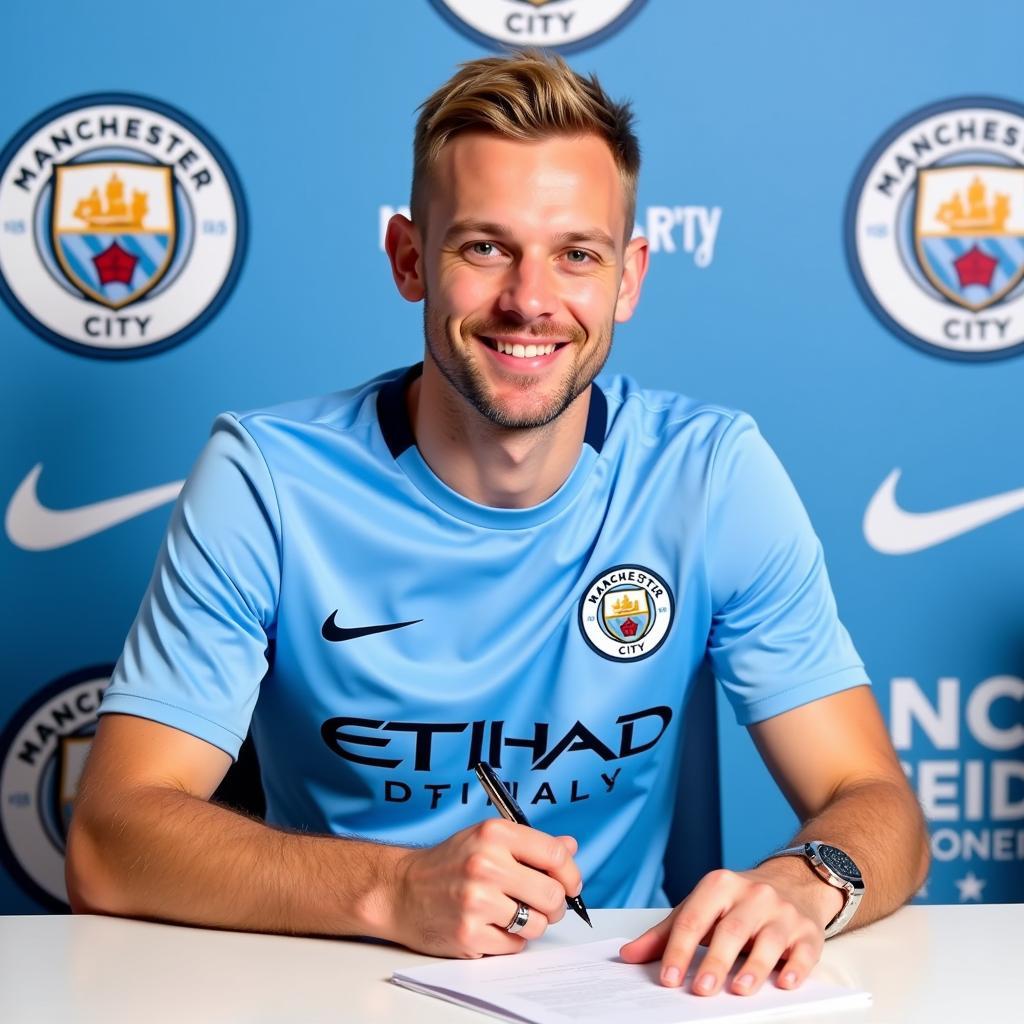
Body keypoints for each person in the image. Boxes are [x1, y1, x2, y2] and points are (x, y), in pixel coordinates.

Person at [66, 50, 929, 998]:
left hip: (613, 991)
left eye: (577, 254)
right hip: (326, 986)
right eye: (484, 247)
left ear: (629, 277)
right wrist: (394, 889)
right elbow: (112, 839)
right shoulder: (267, 481)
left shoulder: (710, 474)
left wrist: (808, 886)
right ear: (408, 259)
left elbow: (876, 804)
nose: (530, 299)